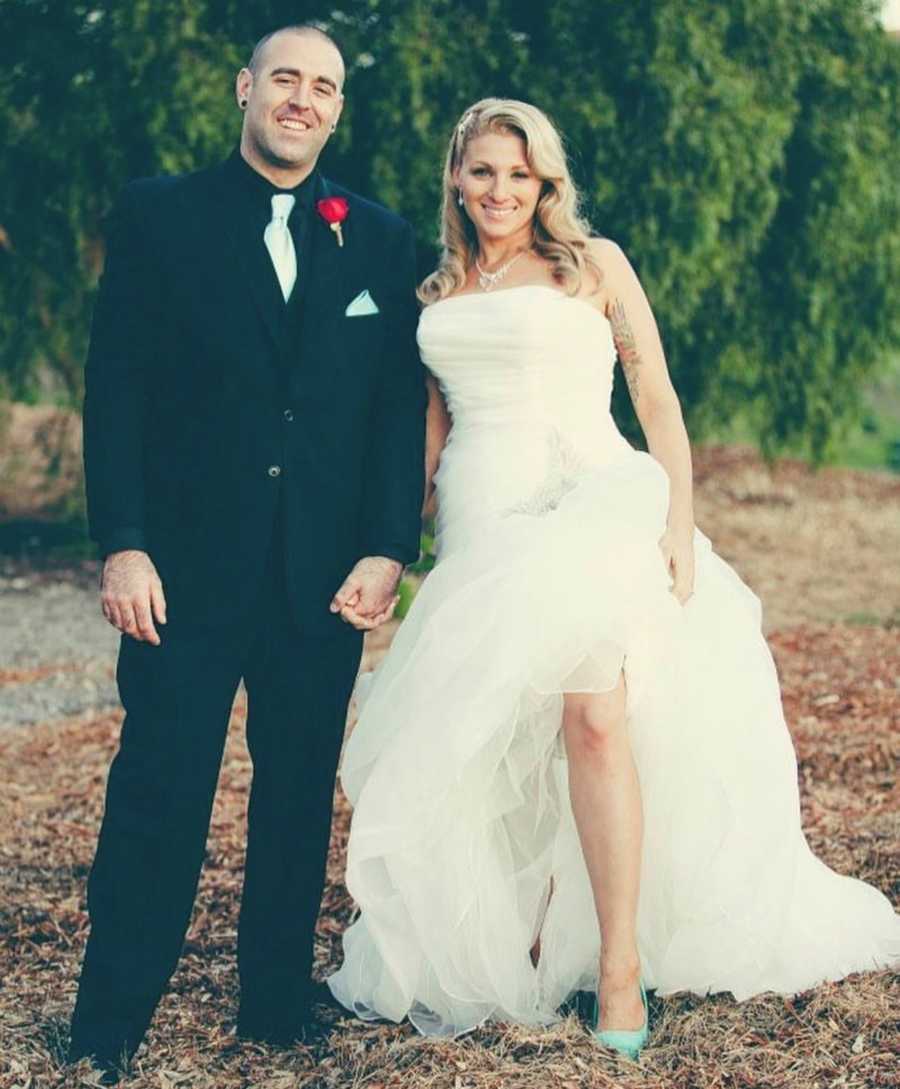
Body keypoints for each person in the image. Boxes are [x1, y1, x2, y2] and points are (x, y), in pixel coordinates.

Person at [326, 98, 900, 1058]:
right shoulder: (433, 292)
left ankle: (623, 964)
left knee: (595, 714)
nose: (500, 191)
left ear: (545, 183)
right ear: (456, 182)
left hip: (598, 502)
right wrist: (390, 545)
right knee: (501, 735)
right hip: (483, 520)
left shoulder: (596, 266)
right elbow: (430, 437)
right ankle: (537, 931)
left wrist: (678, 521)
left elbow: (656, 397)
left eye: (520, 174)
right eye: (481, 173)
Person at [68, 24, 426, 1081]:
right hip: (179, 572)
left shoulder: (379, 239)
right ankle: (106, 1022)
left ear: (336, 109)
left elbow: (391, 410)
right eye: (286, 79)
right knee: (159, 789)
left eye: (323, 86)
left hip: (320, 577)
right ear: (246, 89)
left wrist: (387, 547)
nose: (302, 99)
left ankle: (273, 1008)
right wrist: (123, 544)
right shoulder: (159, 215)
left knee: (298, 792)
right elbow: (116, 384)